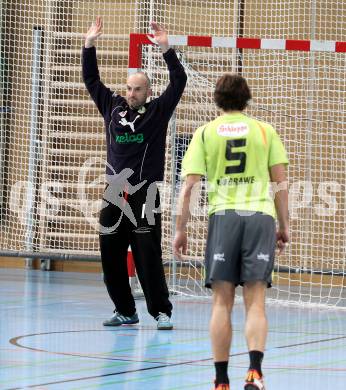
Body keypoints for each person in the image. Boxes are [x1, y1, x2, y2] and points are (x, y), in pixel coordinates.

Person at [173, 74, 289, 389]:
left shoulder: (205, 133)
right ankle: (254, 372)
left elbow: (189, 188)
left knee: (221, 301)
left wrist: (180, 229)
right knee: (255, 300)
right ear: (247, 99)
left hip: (224, 218)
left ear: (217, 99)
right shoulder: (265, 132)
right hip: (260, 218)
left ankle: (221, 380)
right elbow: (280, 183)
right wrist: (284, 225)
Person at [83, 17, 187, 330]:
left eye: (137, 89)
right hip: (115, 191)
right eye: (128, 88)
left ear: (147, 91)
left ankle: (161, 311)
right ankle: (125, 309)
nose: (131, 92)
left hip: (145, 192)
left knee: (148, 254)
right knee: (110, 254)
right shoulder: (112, 106)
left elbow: (179, 81)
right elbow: (91, 80)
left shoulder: (158, 111)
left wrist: (166, 49)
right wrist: (89, 45)